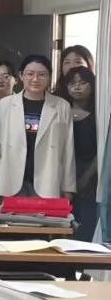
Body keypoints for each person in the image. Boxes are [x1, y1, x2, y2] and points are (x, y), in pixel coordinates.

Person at [0, 54, 75, 201]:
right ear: (21, 76)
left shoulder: (61, 106)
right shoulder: (5, 105)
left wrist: (68, 186)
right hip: (12, 179)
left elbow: (68, 149)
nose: (35, 79)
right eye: (30, 74)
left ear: (49, 77)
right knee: (12, 216)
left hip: (48, 179)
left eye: (42, 74)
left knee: (45, 216)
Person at [62, 66, 98, 239]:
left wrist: (88, 176)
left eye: (82, 82)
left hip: (90, 175)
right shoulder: (60, 112)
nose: (77, 87)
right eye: (72, 83)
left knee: (85, 222)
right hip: (62, 171)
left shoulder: (98, 115)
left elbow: (101, 150)